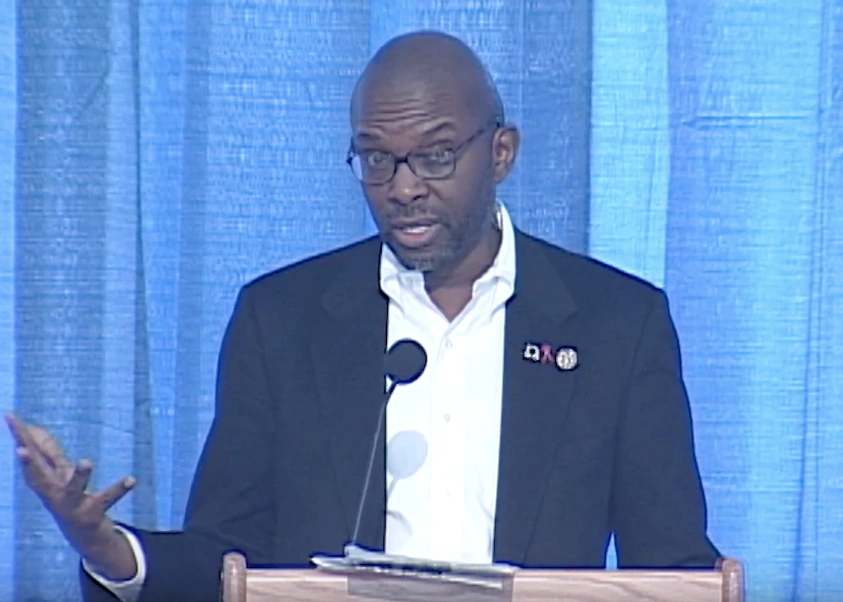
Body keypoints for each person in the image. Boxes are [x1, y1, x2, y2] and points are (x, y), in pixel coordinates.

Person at [6, 29, 721, 602]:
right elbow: (225, 559)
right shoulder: (280, 321)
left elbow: (671, 568)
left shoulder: (615, 325)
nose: (402, 188)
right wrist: (108, 549)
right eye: (376, 160)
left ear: (501, 153)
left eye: (435, 156)